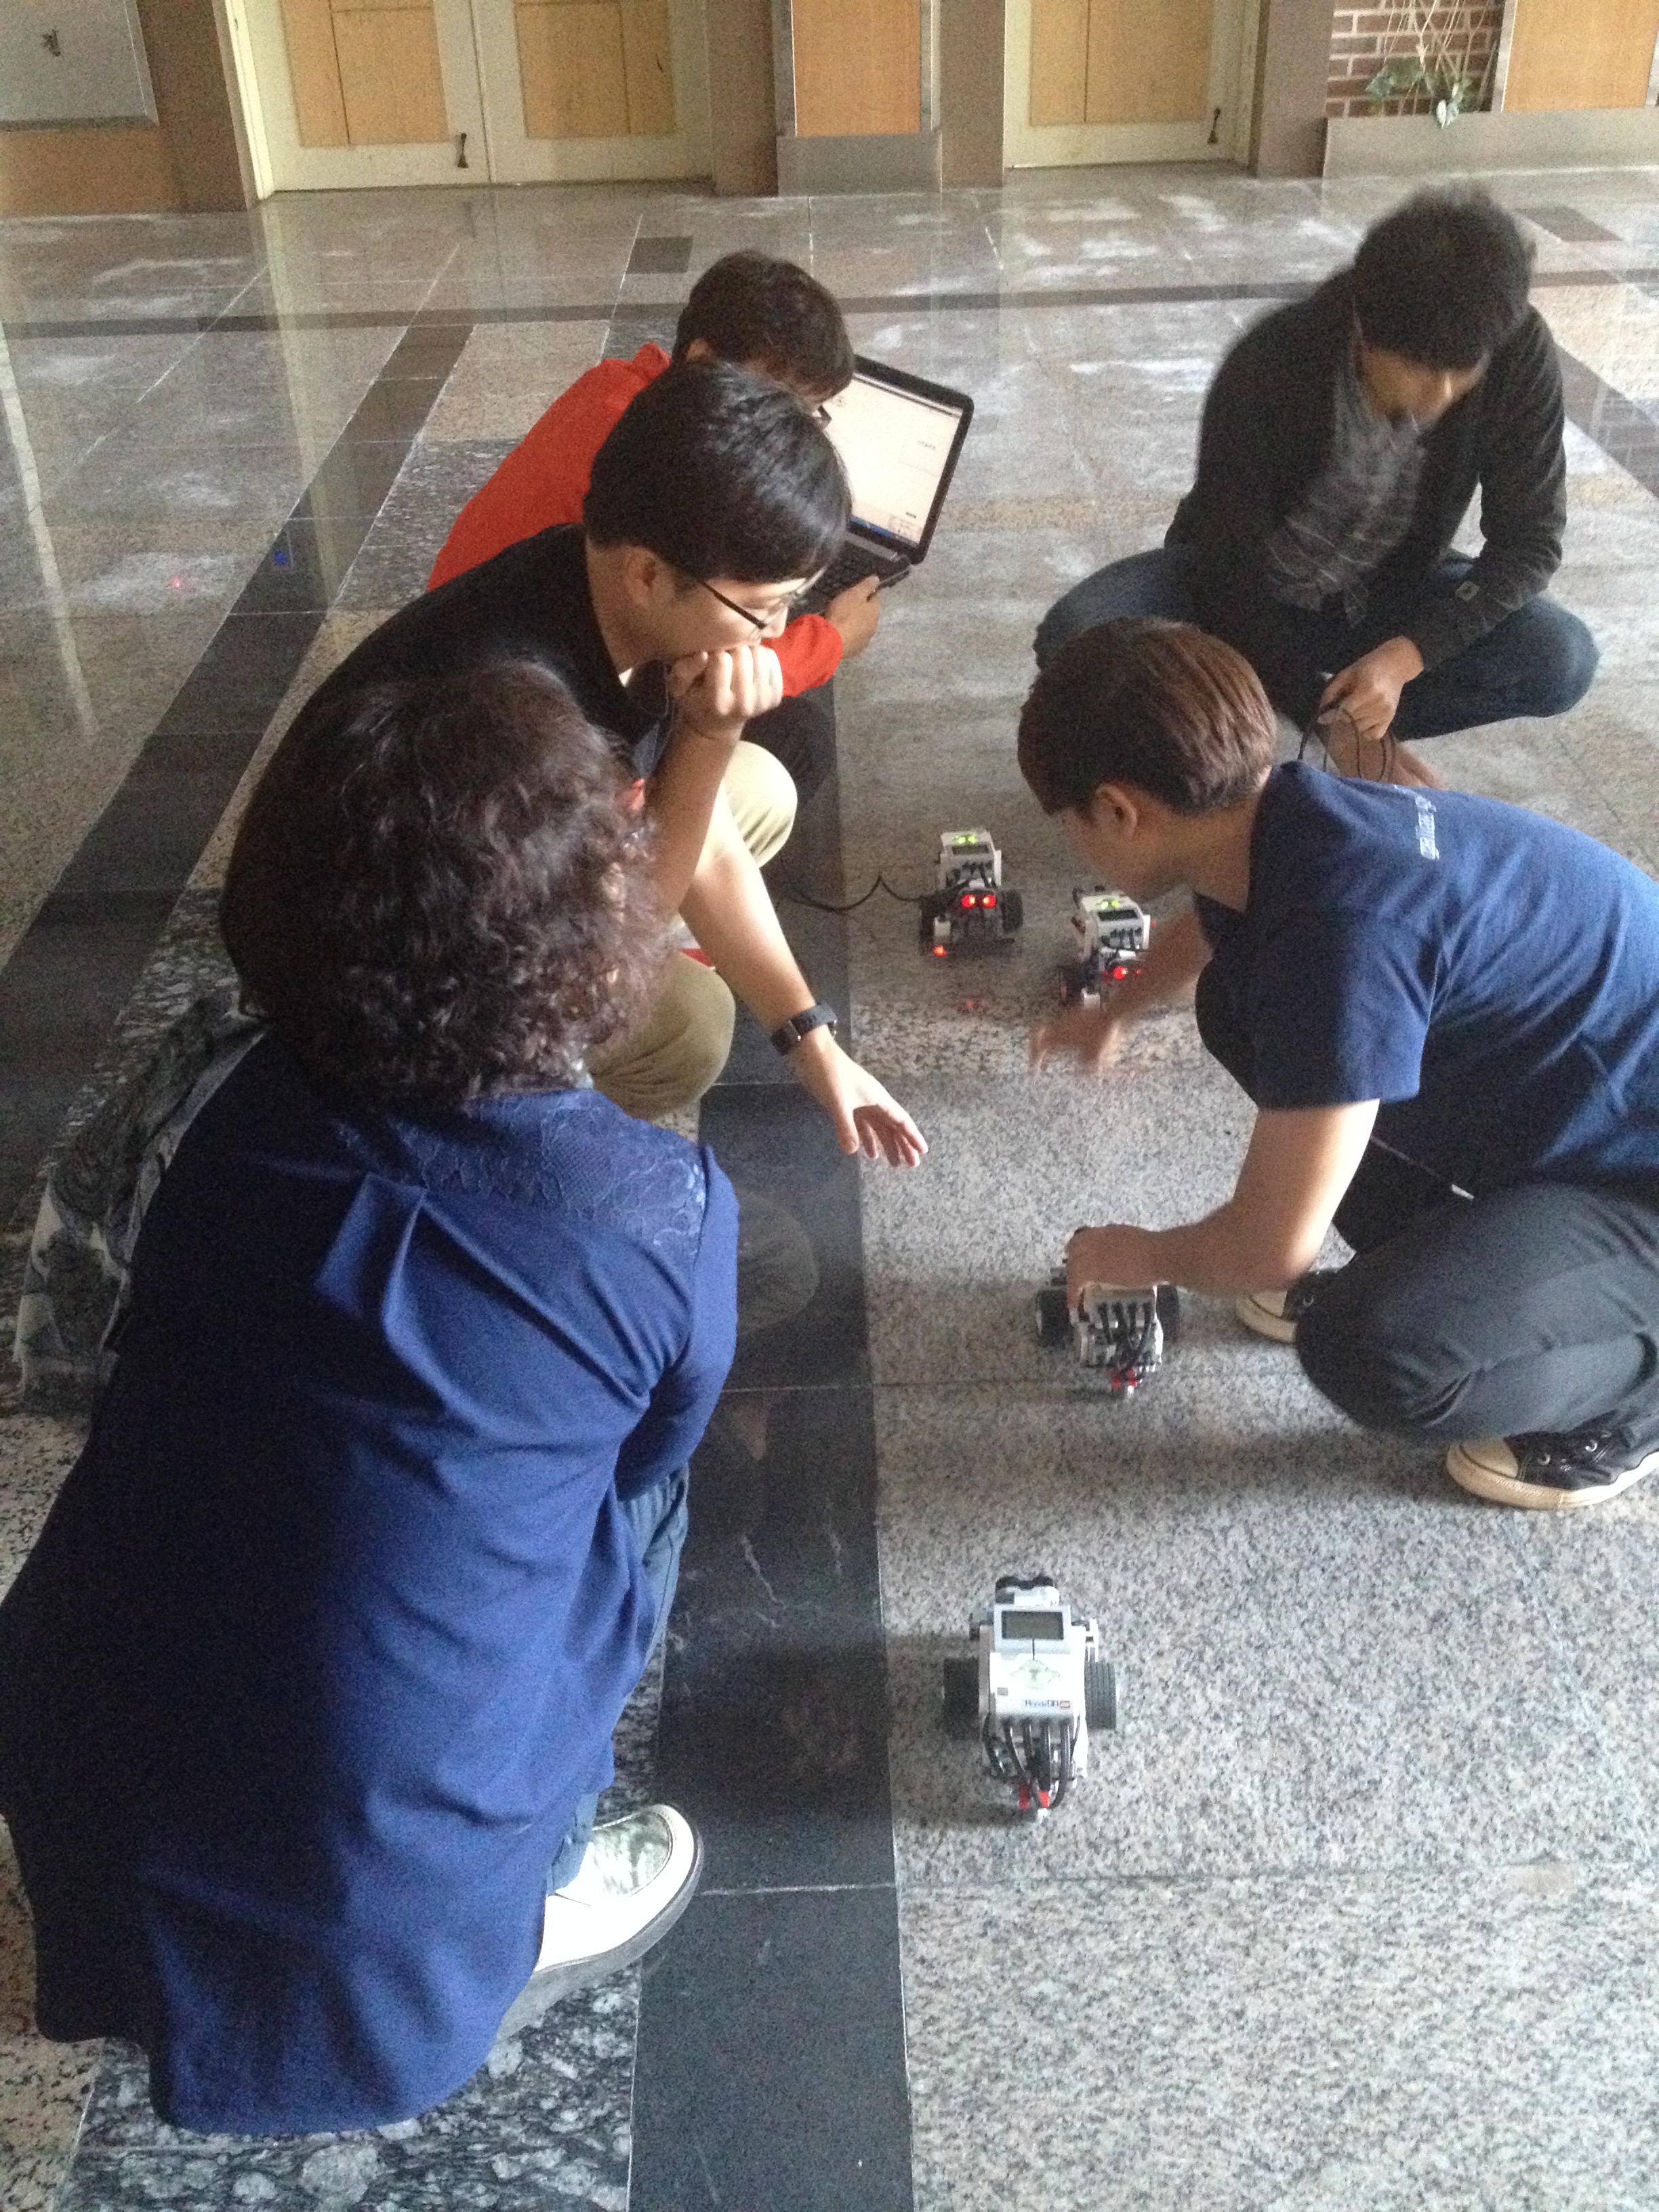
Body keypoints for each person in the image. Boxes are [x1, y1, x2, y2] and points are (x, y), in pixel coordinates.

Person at [0, 665, 737, 2133]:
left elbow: (74, 1352)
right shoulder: (659, 1210)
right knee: (642, 1493)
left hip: (72, 1740)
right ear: (585, 932)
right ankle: (544, 1869)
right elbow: (651, 1447)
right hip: (387, 1889)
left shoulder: (201, 1086)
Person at [1021, 619, 1659, 1511]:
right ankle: (1458, 1267)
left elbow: (1269, 1248)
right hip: (1588, 1106)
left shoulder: (1344, 936)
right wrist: (1113, 1013)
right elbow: (1208, 925)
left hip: (1637, 1182)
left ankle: (1630, 1402)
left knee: (1371, 1349)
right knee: (1235, 1006)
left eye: (1072, 824)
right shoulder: (1287, 819)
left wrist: (1137, 1253)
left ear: (1121, 810)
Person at [280, 359, 924, 1164]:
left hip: (478, 882)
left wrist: (812, 1041)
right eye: (763, 609)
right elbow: (622, 936)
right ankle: (495, 1150)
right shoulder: (521, 729)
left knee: (758, 789)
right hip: (381, 1008)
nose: (773, 635)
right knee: (688, 1028)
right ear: (650, 575)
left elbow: (708, 843)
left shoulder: (599, 584)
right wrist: (709, 736)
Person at [1036, 189, 1597, 787]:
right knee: (1078, 635)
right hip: (1238, 595)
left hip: (1386, 596)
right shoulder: (1275, 359)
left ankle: (1354, 708)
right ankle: (1234, 722)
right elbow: (1227, 568)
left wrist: (1407, 655)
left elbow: (1530, 540)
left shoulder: (1513, 349)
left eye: (1462, 372)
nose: (1439, 395)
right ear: (1365, 329)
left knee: (1559, 656)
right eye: (1419, 368)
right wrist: (1324, 723)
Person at [430, 249, 882, 803]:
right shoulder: (674, 470)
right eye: (776, 398)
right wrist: (828, 642)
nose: (781, 429)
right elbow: (698, 671)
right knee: (794, 742)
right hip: (503, 735)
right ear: (702, 360)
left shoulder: (621, 390)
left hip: (469, 650)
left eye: (807, 414)